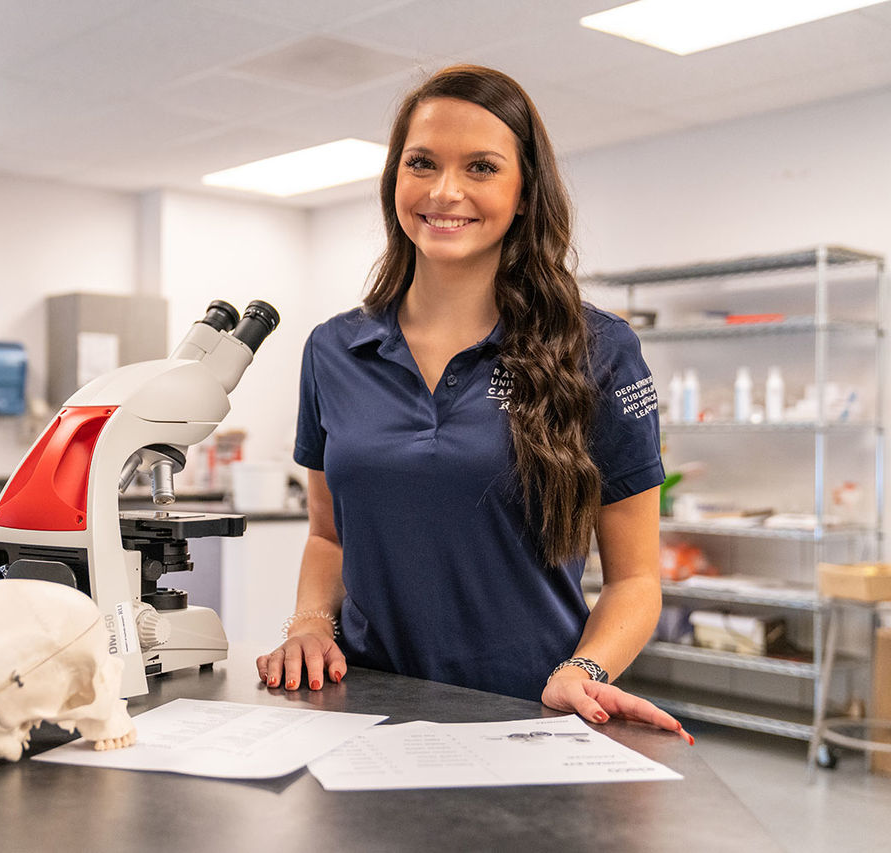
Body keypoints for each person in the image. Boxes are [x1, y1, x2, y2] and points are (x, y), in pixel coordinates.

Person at [256, 64, 690, 742]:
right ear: (394, 180)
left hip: (528, 716)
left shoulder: (598, 348)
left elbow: (636, 578)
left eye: (481, 167)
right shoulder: (333, 350)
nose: (444, 190)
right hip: (362, 716)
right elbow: (327, 534)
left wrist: (587, 668)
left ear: (523, 193)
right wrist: (309, 623)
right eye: (421, 163)